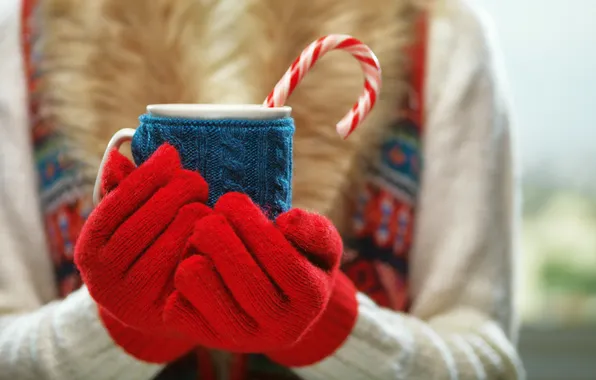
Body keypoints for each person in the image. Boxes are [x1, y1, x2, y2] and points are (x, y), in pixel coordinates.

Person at [0, 0, 524, 378]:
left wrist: (335, 328)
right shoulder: (18, 39)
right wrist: (115, 327)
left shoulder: (442, 34)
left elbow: (488, 359)